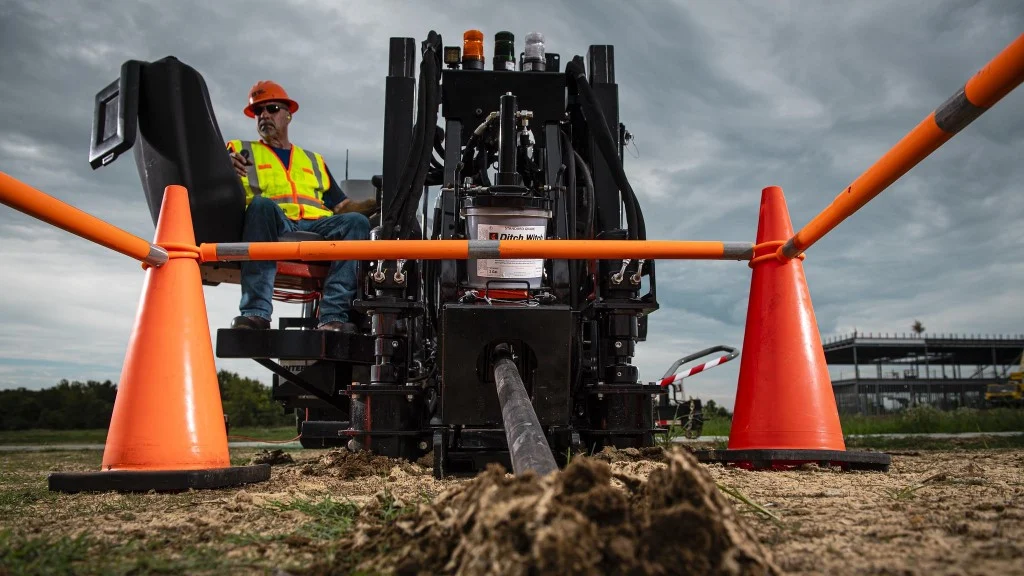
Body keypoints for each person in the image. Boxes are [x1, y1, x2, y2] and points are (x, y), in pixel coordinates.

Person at [226, 80, 371, 333]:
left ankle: (333, 317)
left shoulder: (313, 161)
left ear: (288, 115)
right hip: (276, 222)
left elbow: (342, 206)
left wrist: (380, 201)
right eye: (258, 112)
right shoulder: (240, 151)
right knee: (260, 205)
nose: (264, 116)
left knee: (357, 222)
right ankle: (255, 314)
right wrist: (224, 167)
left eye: (271, 108)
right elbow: (214, 177)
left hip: (317, 225)